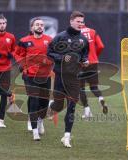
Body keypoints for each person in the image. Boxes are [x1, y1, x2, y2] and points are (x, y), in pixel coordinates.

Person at [48, 11, 89, 148]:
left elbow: (84, 56)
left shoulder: (83, 40)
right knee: (59, 106)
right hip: (60, 76)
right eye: (78, 21)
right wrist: (61, 58)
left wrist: (85, 61)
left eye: (82, 22)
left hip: (74, 78)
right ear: (71, 21)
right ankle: (51, 107)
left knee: (71, 107)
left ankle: (66, 137)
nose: (80, 24)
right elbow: (49, 52)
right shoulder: (60, 37)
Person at [14, 17, 53, 140]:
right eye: (37, 24)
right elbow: (17, 53)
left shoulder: (50, 40)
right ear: (32, 27)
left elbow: (54, 55)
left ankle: (40, 121)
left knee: (44, 103)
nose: (40, 26)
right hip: (30, 76)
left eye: (42, 25)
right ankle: (35, 130)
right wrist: (23, 64)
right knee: (34, 100)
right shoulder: (24, 41)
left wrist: (49, 61)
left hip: (45, 76)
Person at [79, 25, 108, 118]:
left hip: (80, 64)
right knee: (94, 87)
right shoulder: (93, 31)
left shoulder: (74, 33)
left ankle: (87, 110)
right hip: (93, 62)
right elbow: (101, 46)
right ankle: (100, 98)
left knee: (80, 88)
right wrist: (95, 55)